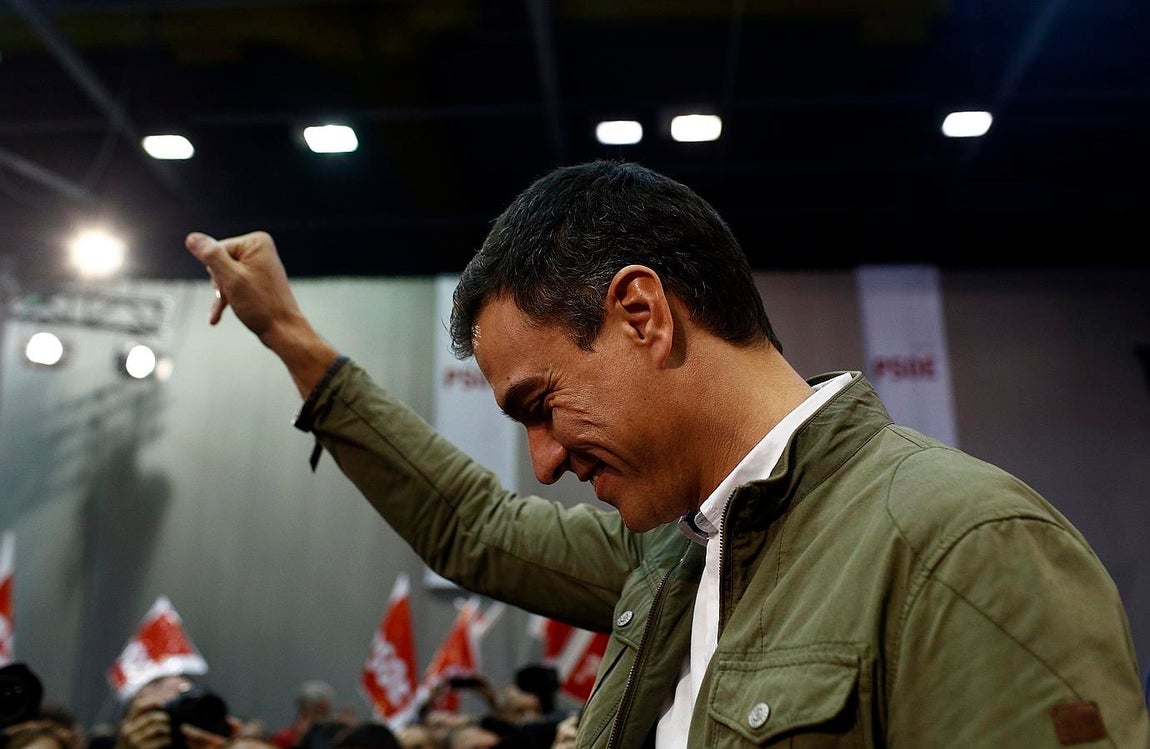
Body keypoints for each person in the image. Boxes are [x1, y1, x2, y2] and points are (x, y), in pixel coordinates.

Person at [184, 160, 1150, 748]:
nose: (544, 461)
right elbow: (473, 526)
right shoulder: (677, 554)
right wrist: (294, 341)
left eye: (541, 405)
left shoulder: (963, 545)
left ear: (641, 313)